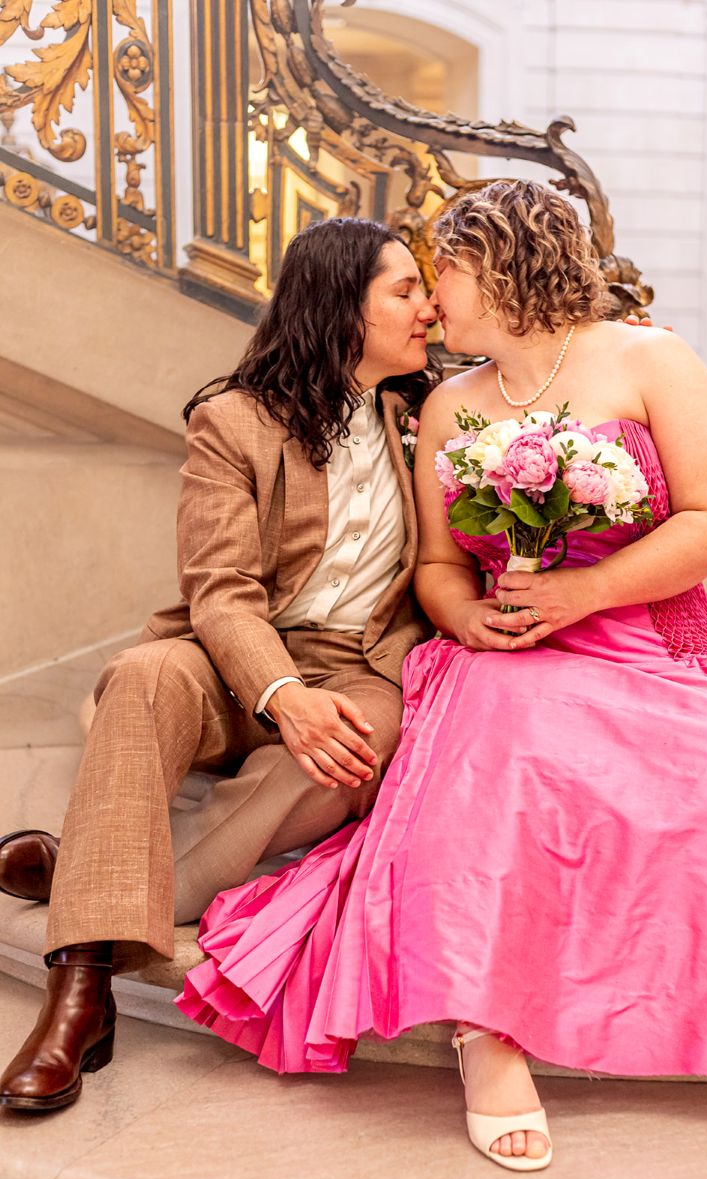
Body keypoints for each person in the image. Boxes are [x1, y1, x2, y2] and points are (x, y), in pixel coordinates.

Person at [173, 181, 707, 1171]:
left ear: (498, 264)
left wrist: (581, 595)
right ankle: (485, 1028)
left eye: (444, 272)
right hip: (506, 646)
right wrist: (466, 614)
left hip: (652, 636)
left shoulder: (647, 358)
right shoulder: (449, 404)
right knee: (499, 740)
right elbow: (435, 563)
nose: (432, 298)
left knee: (703, 776)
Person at [0, 217, 440, 1111]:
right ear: (341, 308)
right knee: (142, 676)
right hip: (236, 651)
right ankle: (79, 996)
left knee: (359, 743)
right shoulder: (232, 422)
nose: (427, 307)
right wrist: (282, 695)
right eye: (404, 291)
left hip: (363, 660)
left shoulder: (431, 417)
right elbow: (221, 592)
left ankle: (81, 871)